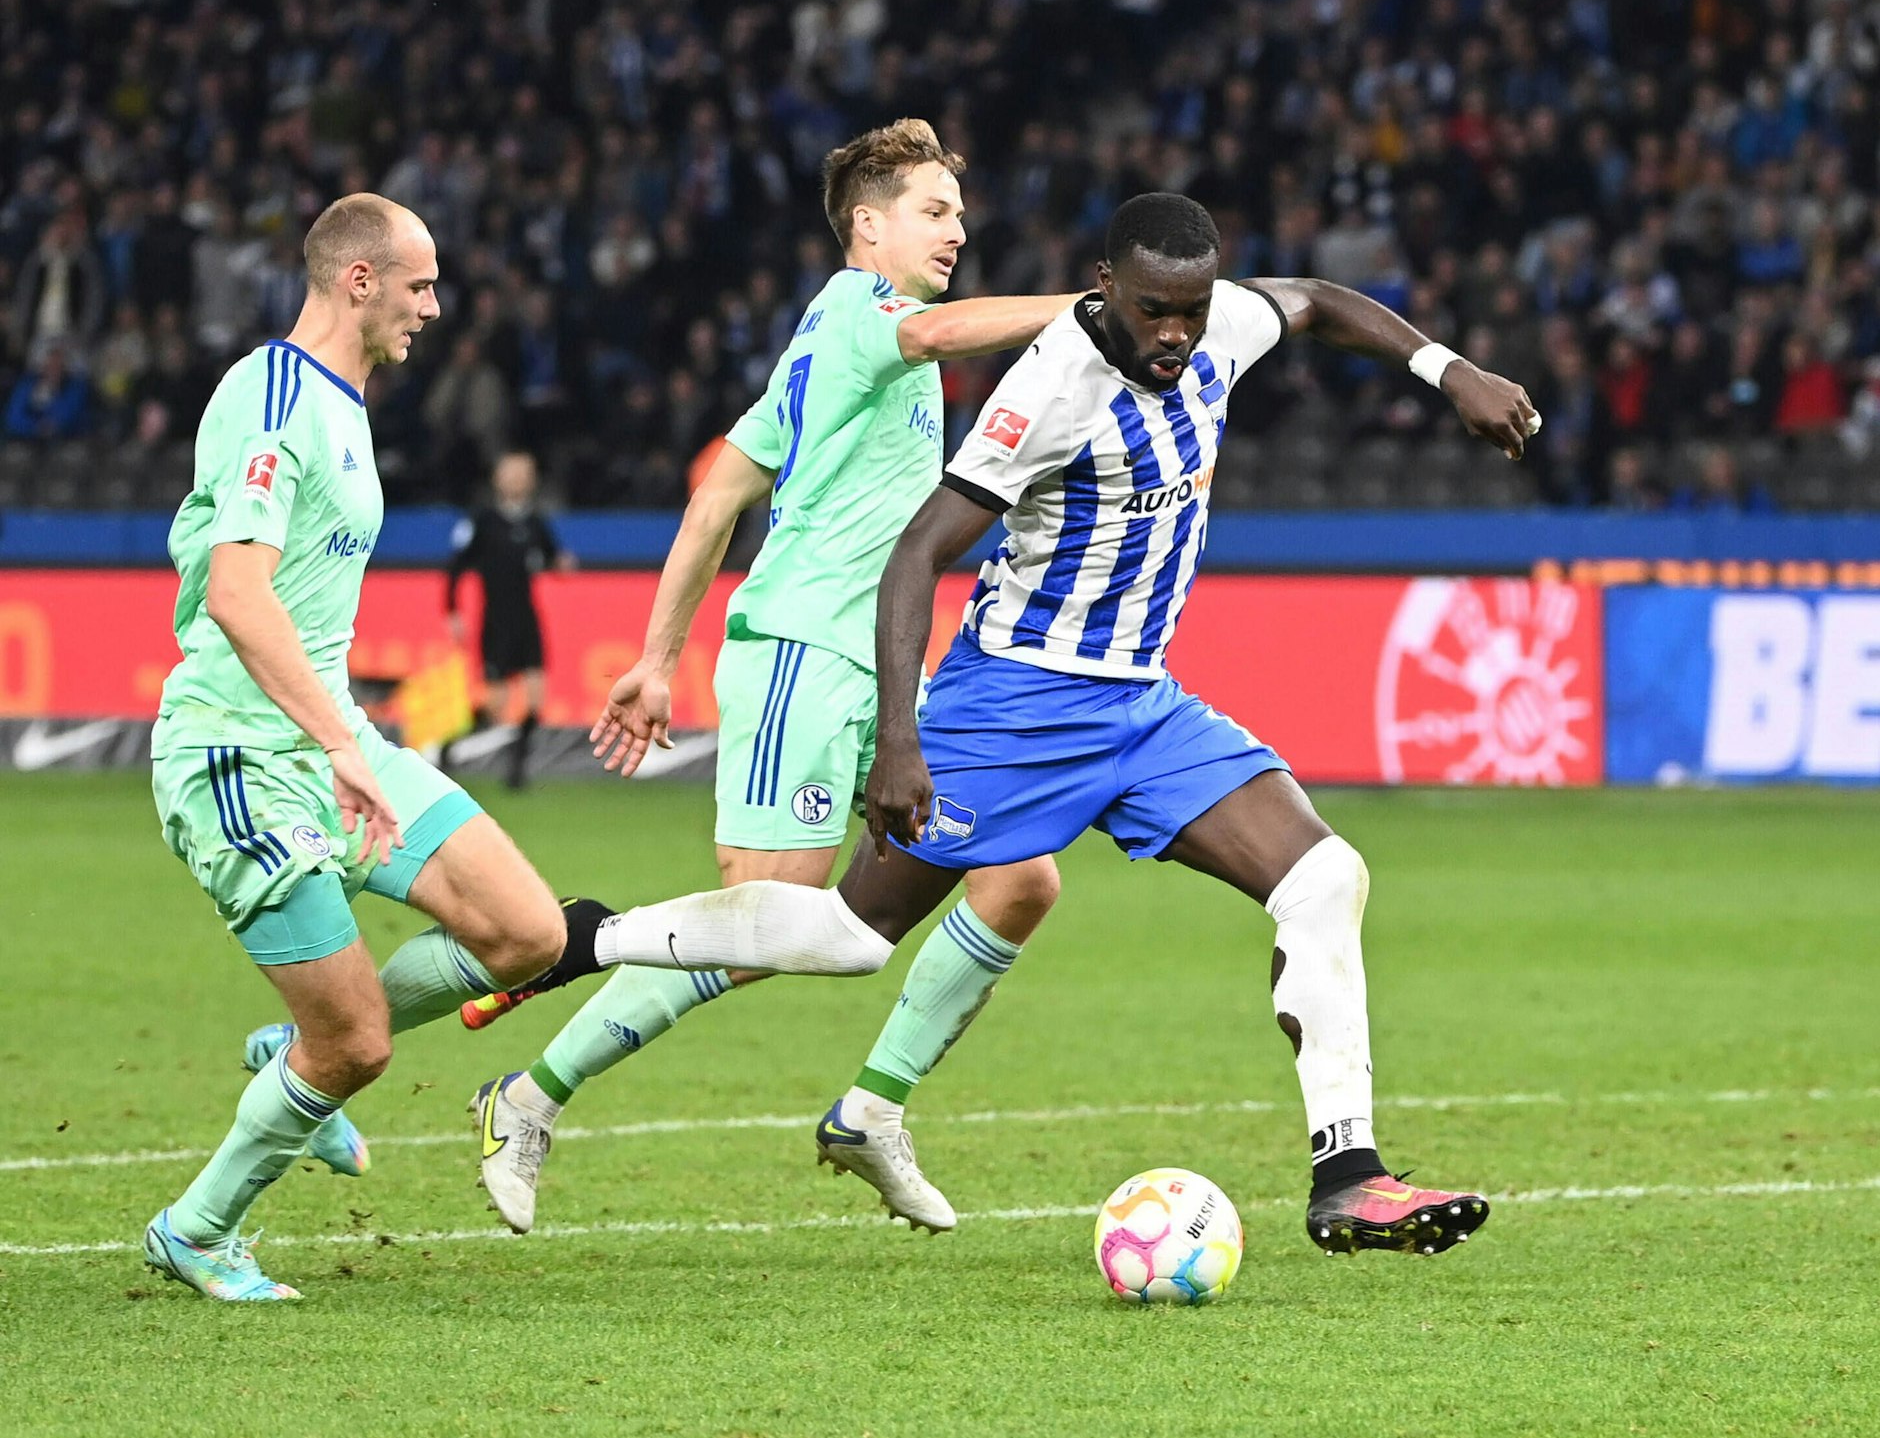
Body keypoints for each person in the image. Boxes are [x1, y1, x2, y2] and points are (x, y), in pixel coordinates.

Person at [516, 194, 1541, 1258]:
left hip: (1141, 705)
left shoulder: (1217, 325)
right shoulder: (1051, 385)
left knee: (1324, 877)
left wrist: (1446, 370)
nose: (1175, 334)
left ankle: (1348, 1174)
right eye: (1152, 310)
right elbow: (918, 553)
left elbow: (1320, 302)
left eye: (1189, 309)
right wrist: (905, 743)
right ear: (1104, 287)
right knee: (846, 936)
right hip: (1009, 706)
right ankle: (585, 935)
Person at [467, 118, 1072, 1233]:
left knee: (1016, 877)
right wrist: (1086, 309)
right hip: (804, 648)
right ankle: (526, 1093)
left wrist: (654, 661)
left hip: (886, 674)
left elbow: (715, 496)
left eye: (956, 210)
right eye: (934, 211)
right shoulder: (857, 312)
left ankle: (871, 1108)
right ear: (867, 226)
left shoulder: (824, 349)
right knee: (768, 924)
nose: (957, 227)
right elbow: (938, 331)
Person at [142, 193, 615, 1303]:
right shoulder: (271, 395)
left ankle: (289, 1050)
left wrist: (345, 738)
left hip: (331, 739)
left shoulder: (346, 404)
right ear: (358, 279)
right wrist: (336, 740)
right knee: (357, 1044)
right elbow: (237, 591)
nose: (433, 307)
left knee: (527, 932)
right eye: (419, 284)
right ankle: (199, 1227)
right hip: (236, 754)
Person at [444, 450, 575, 788]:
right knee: (496, 706)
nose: (517, 479)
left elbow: (550, 558)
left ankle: (517, 771)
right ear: (498, 479)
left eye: (523, 473)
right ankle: (448, 749)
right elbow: (456, 567)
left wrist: (561, 564)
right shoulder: (482, 521)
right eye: (511, 473)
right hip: (496, 622)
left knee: (535, 698)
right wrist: (453, 610)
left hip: (527, 619)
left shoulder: (535, 523)